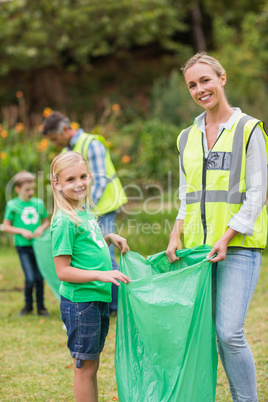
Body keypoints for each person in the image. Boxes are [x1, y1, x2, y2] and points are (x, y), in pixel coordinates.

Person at [166, 52, 267, 401]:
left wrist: (228, 235)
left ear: (222, 79)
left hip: (237, 246)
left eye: (205, 80)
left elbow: (258, 193)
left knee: (229, 332)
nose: (199, 89)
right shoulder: (186, 137)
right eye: (192, 84)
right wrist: (176, 232)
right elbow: (185, 193)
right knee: (211, 332)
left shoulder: (248, 129)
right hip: (197, 251)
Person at [50, 151, 130, 401]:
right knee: (84, 368)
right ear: (57, 183)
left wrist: (108, 238)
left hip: (96, 298)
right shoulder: (64, 220)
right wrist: (102, 275)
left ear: (90, 176)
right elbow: (63, 271)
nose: (79, 183)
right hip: (80, 302)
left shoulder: (84, 212)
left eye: (83, 176)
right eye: (70, 179)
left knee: (92, 365)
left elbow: (85, 249)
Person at [42, 111, 127, 314]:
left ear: (64, 130)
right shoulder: (68, 150)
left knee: (107, 254)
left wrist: (87, 210)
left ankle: (112, 305)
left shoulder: (91, 143)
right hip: (83, 209)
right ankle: (111, 304)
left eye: (55, 138)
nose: (55, 143)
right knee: (99, 251)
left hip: (101, 205)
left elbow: (100, 179)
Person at [3, 171, 50, 316]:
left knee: (39, 277)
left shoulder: (39, 203)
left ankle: (41, 307)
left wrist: (41, 229)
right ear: (17, 189)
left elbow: (46, 221)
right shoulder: (12, 205)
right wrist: (22, 231)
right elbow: (6, 226)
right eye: (27, 190)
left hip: (38, 246)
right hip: (23, 247)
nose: (31, 192)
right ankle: (28, 306)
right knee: (30, 278)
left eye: (32, 189)